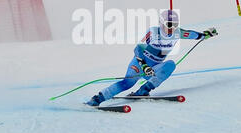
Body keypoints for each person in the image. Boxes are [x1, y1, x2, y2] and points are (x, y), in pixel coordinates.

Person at [86, 9, 218, 106]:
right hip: (140, 64)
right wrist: (144, 65)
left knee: (170, 64)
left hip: (154, 67)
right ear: (161, 23)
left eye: (175, 25)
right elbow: (138, 49)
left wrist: (206, 34)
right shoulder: (154, 32)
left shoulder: (177, 33)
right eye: (169, 25)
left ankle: (143, 90)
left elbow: (193, 35)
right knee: (127, 83)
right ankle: (98, 98)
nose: (172, 28)